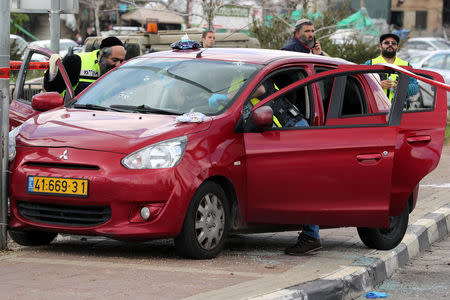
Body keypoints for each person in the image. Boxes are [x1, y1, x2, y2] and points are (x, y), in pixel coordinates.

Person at [282, 18, 323, 256]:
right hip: (294, 121)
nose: (311, 33)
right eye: (307, 31)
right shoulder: (291, 52)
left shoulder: (308, 52)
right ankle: (311, 233)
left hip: (302, 123)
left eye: (313, 30)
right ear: (297, 33)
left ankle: (311, 234)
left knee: (308, 181)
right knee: (307, 181)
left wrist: (318, 54)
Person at [44, 36, 126, 97]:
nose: (118, 65)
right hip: (72, 114)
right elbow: (52, 89)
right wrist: (52, 74)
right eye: (114, 60)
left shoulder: (122, 71)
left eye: (121, 61)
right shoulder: (76, 62)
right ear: (102, 55)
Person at [364, 33, 418, 103]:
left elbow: (415, 88)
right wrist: (378, 85)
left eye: (393, 43)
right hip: (376, 110)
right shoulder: (370, 64)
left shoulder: (406, 66)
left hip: (399, 110)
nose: (390, 45)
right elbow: (363, 85)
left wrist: (402, 88)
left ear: (397, 47)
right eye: (386, 43)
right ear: (380, 46)